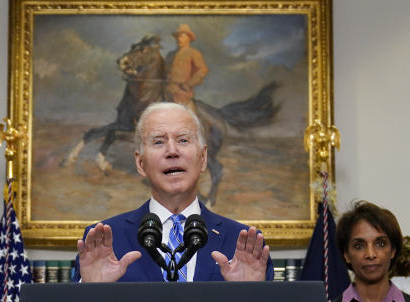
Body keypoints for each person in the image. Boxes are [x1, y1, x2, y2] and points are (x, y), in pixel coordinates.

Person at [72, 101, 272, 283]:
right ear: (140, 164)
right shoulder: (104, 240)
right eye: (158, 142)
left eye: (183, 140)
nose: (172, 151)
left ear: (203, 158)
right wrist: (91, 291)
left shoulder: (245, 243)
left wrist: (251, 294)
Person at [165, 23, 208, 113]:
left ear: (189, 38)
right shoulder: (170, 55)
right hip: (166, 92)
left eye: (182, 37)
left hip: (182, 93)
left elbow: (203, 70)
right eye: (177, 37)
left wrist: (189, 84)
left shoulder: (193, 53)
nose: (179, 39)